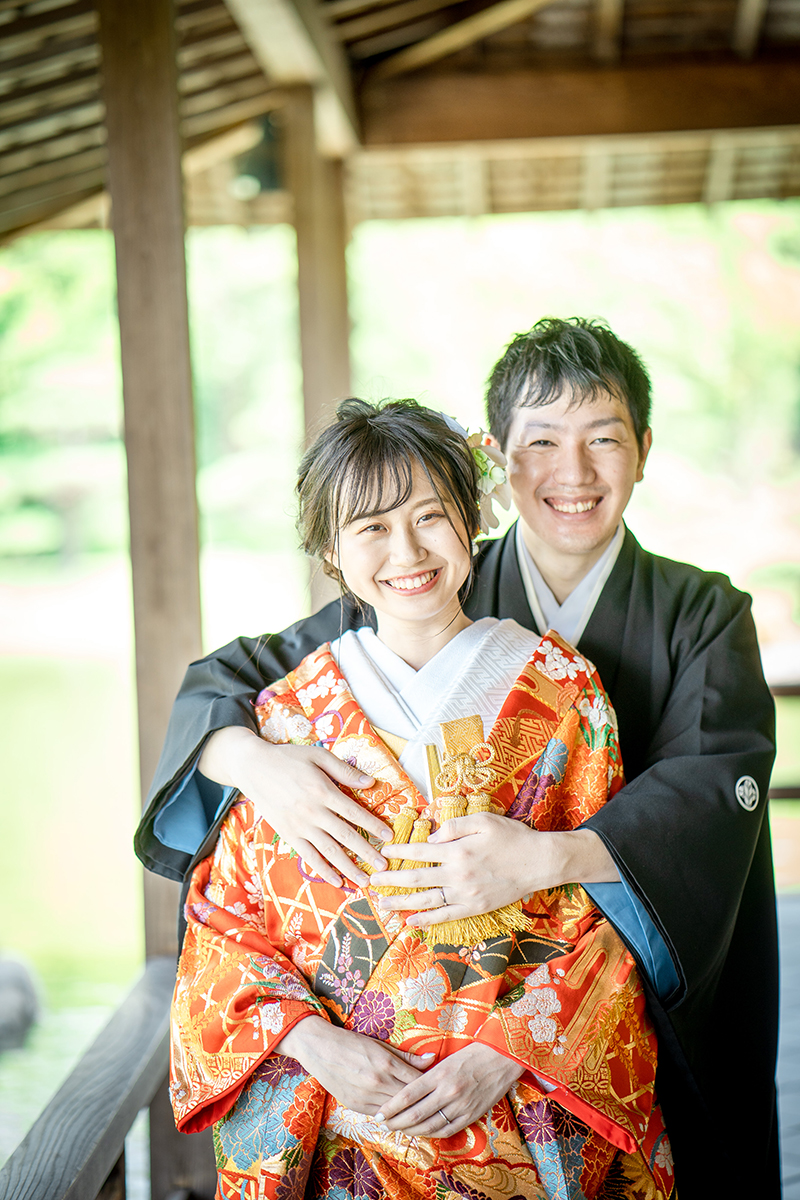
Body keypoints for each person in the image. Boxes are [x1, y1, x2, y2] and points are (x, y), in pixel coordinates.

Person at [140, 318, 778, 1196]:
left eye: (603, 439)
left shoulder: (700, 612)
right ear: (500, 461)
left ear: (644, 450)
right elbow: (226, 681)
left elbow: (706, 795)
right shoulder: (416, 575)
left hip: (594, 1014)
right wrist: (252, 760)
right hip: (372, 1095)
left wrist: (547, 859)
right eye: (542, 442)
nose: (573, 472)